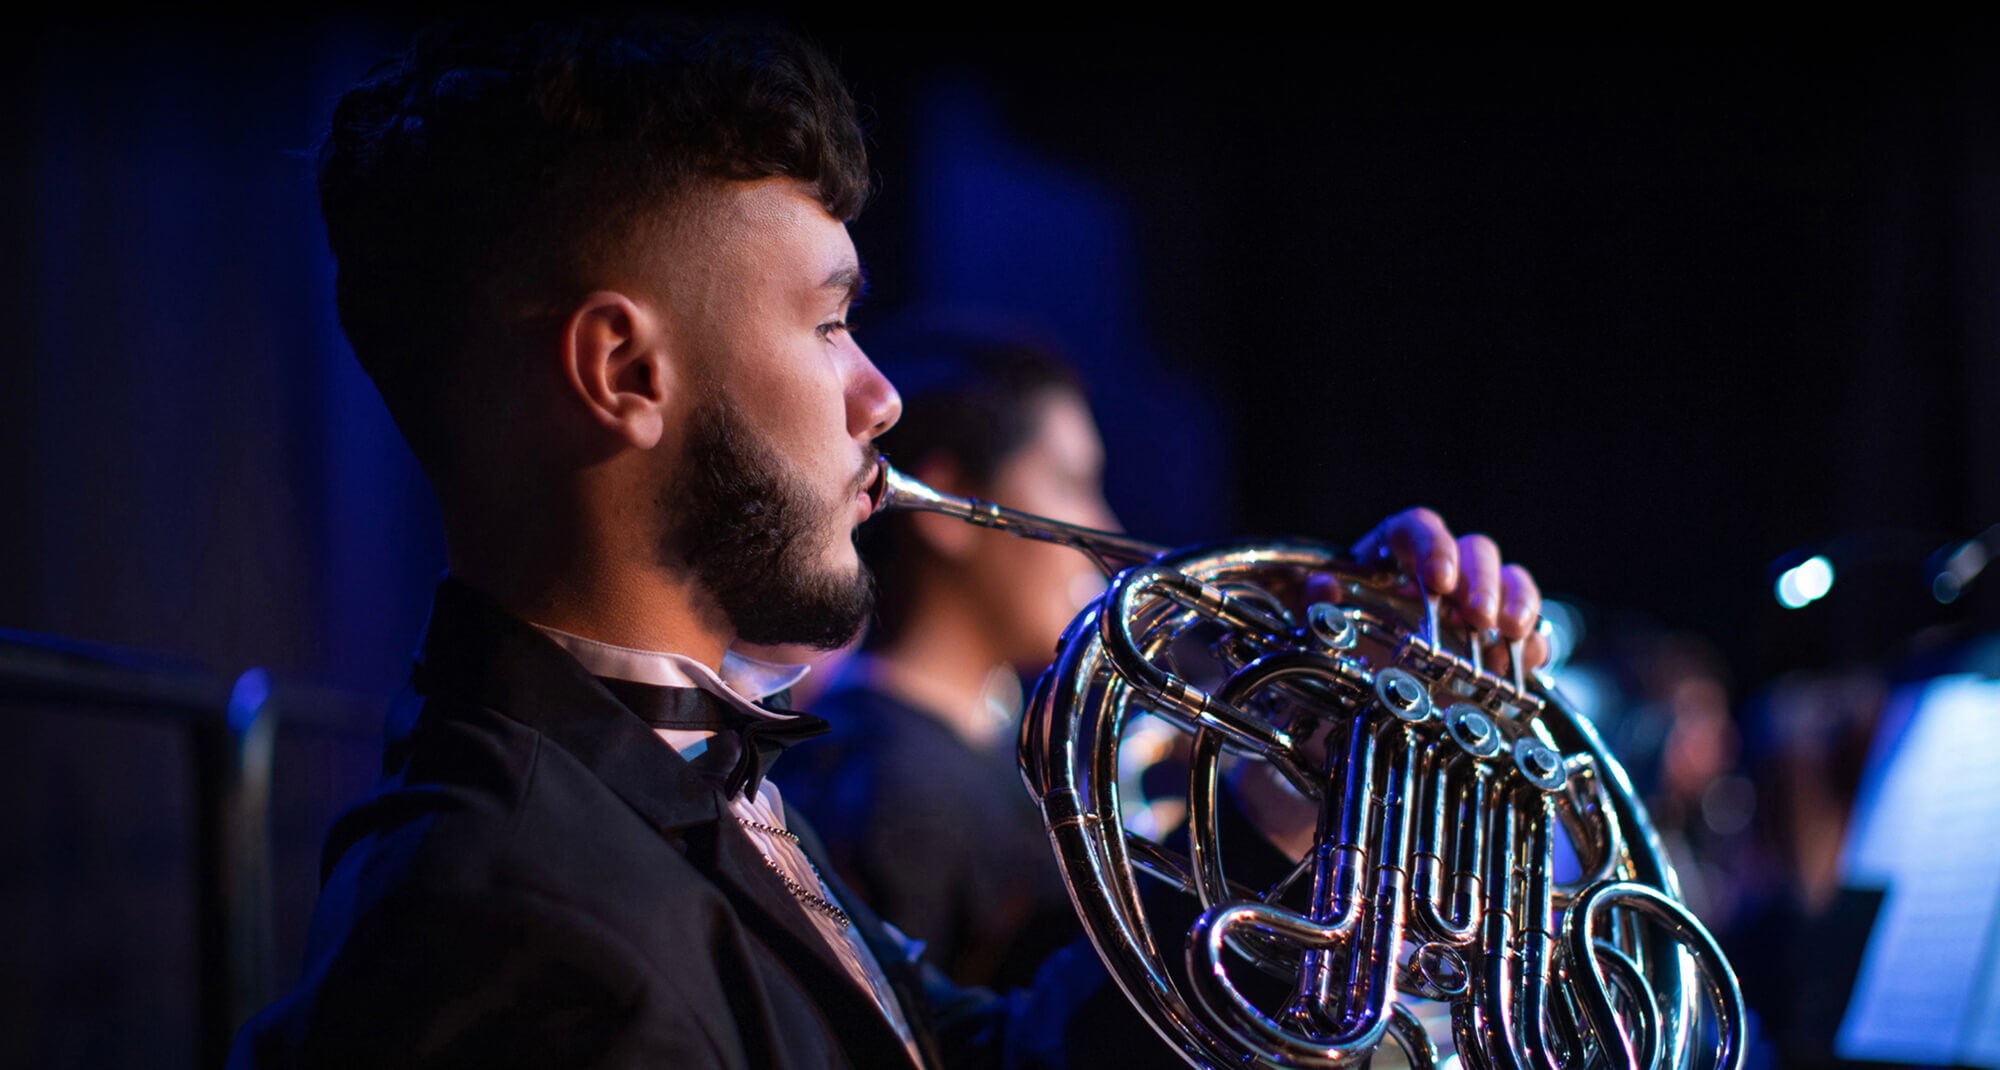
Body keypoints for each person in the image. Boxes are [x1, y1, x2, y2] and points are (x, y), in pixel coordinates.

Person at [228, 17, 1549, 1068]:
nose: (881, 393)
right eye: (826, 324)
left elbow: (982, 1056)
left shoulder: (662, 768)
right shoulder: (511, 922)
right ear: (623, 370)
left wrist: (1310, 830)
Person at [780, 333, 1107, 988]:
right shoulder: (886, 785)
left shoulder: (976, 745)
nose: (1102, 530)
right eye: (1070, 485)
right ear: (949, 505)